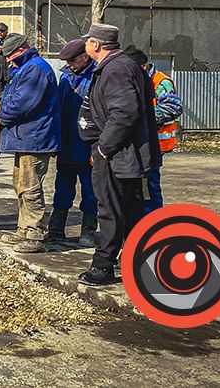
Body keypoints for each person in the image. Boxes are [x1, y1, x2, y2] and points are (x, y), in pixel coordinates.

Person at [76, 23, 162, 286]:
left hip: (118, 154)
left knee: (111, 209)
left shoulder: (116, 69)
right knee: (130, 208)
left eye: (88, 41)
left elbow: (124, 112)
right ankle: (137, 261)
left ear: (97, 45)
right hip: (124, 154)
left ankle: (103, 266)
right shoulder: (119, 66)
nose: (86, 45)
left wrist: (104, 147)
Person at [0, 33, 61, 253]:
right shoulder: (25, 68)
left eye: (11, 56)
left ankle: (35, 233)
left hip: (35, 137)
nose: (8, 61)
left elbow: (21, 104)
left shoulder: (35, 69)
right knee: (20, 184)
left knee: (30, 186)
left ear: (21, 50)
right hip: (25, 137)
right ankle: (24, 230)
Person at [49, 39, 98, 248]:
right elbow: (58, 110)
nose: (69, 64)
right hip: (67, 143)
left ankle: (88, 231)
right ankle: (55, 230)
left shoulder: (96, 77)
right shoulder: (66, 78)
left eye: (72, 60)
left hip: (87, 145)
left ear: (85, 57)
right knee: (62, 188)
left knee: (90, 191)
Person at [125, 45, 183, 213]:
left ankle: (153, 224)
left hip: (156, 142)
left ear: (142, 67)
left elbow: (173, 108)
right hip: (140, 142)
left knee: (149, 188)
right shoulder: (136, 80)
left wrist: (143, 118)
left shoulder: (160, 81)